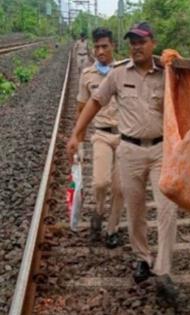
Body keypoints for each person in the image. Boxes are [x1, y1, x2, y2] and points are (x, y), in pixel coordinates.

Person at [67, 22, 178, 305]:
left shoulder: (168, 73)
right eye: (132, 42)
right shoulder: (118, 74)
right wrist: (77, 133)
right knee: (136, 208)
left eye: (141, 41)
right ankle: (143, 257)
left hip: (161, 150)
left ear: (153, 42)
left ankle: (163, 270)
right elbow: (94, 102)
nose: (136, 46)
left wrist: (176, 60)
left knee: (167, 209)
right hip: (129, 150)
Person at [75, 27, 123, 248]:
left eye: (105, 46)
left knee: (120, 187)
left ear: (113, 46)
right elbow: (82, 108)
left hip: (125, 137)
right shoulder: (87, 75)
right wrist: (79, 139)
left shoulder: (124, 71)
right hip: (101, 135)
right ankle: (98, 213)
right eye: (97, 47)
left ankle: (112, 229)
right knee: (100, 182)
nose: (101, 51)